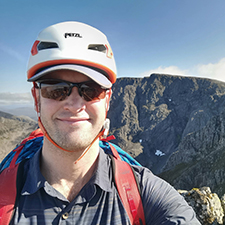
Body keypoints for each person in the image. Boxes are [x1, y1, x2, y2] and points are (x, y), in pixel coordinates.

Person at [0, 21, 200, 224]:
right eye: (56, 89)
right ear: (36, 99)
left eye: (91, 90)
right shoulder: (2, 193)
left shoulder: (147, 194)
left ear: (107, 100)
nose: (75, 104)